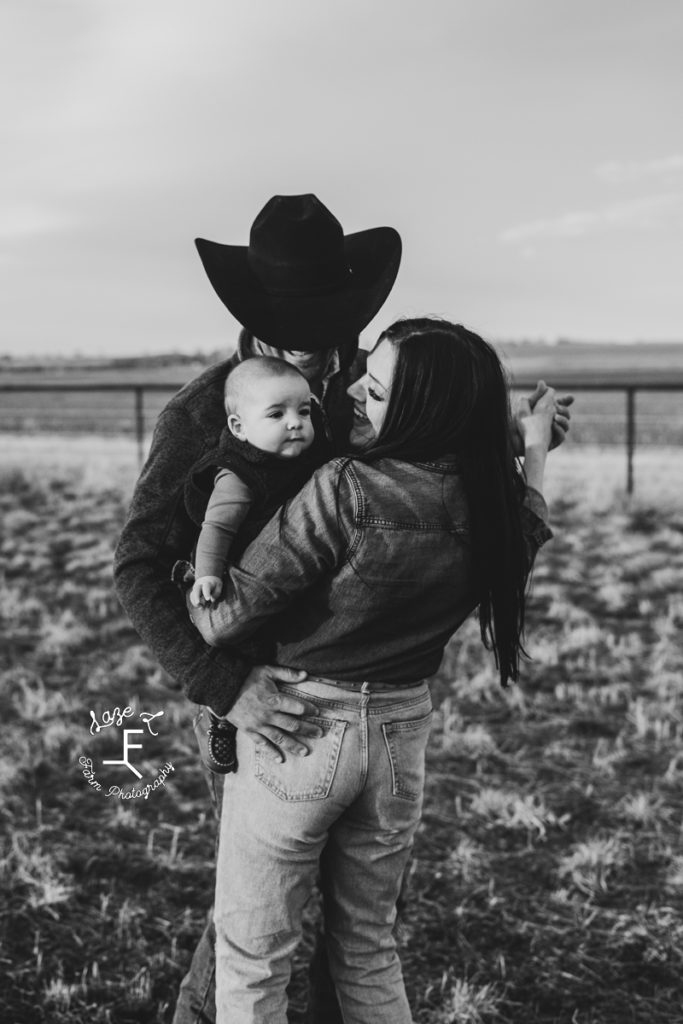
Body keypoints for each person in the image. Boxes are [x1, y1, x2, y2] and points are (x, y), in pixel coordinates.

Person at [113, 194, 572, 1024]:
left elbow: (415, 450)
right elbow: (139, 566)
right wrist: (222, 683)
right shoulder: (207, 411)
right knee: (251, 928)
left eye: (335, 330)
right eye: (299, 332)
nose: (326, 361)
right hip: (262, 697)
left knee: (341, 932)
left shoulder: (365, 383)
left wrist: (502, 435)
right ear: (254, 324)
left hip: (363, 691)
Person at [186, 317, 560, 1024]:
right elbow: (528, 524)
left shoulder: (343, 488)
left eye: (377, 388)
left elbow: (222, 620)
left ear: (417, 410)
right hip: (397, 739)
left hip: (295, 734)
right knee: (365, 950)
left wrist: (195, 570)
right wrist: (532, 452)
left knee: (254, 955)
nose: (352, 388)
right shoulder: (493, 501)